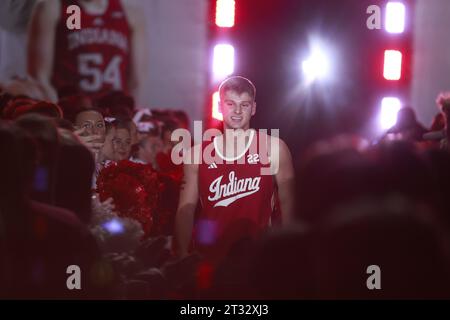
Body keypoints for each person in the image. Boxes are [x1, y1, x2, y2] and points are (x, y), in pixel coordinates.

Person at [174, 76, 295, 264]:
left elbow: (288, 203)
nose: (237, 111)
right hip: (210, 258)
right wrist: (182, 254)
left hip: (258, 258)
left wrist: (288, 250)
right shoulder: (197, 154)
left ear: (253, 108)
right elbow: (186, 209)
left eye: (244, 105)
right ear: (220, 106)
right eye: (230, 103)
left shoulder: (274, 149)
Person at [27, 0, 148, 104]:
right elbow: (39, 76)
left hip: (115, 112)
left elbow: (136, 81)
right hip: (70, 110)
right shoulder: (52, 8)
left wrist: (128, 116)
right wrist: (60, 114)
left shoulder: (130, 14)